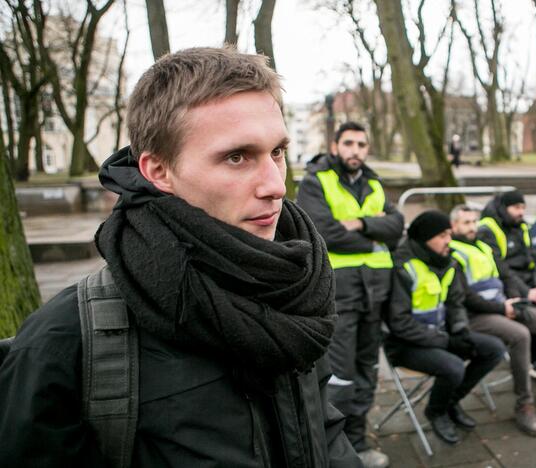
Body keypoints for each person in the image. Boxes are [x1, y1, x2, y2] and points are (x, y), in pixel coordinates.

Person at [0, 47, 360, 467]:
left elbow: (321, 431)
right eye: (237, 156)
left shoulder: (293, 289)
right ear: (158, 171)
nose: (275, 186)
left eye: (277, 152)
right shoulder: (65, 343)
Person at [297, 121, 403, 467]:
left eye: (361, 144)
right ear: (335, 145)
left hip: (376, 292)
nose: (355, 150)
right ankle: (334, 448)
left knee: (367, 368)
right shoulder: (317, 180)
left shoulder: (373, 182)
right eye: (349, 143)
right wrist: (375, 233)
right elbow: (323, 232)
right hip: (340, 293)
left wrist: (360, 224)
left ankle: (358, 439)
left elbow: (397, 226)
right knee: (340, 374)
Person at [449, 205, 536, 437]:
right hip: (477, 315)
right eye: (466, 223)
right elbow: (465, 297)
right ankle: (524, 405)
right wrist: (502, 307)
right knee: (521, 335)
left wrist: (515, 297)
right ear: (454, 227)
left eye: (474, 222)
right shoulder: (453, 253)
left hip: (503, 305)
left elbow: (505, 274)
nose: (472, 227)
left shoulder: (482, 246)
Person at [384, 211, 505, 445]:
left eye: (449, 233)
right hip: (405, 345)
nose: (448, 240)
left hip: (440, 337)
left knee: (493, 349)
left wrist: (460, 330)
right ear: (424, 239)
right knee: (454, 367)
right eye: (441, 235)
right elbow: (399, 323)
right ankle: (436, 411)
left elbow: (455, 302)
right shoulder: (403, 267)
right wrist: (446, 341)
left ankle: (450, 401)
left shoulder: (448, 261)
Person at [477, 190, 536, 381]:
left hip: (530, 285)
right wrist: (527, 292)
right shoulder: (488, 230)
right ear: (504, 208)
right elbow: (502, 269)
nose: (521, 212)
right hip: (509, 290)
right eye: (516, 208)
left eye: (523, 207)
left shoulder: (521, 226)